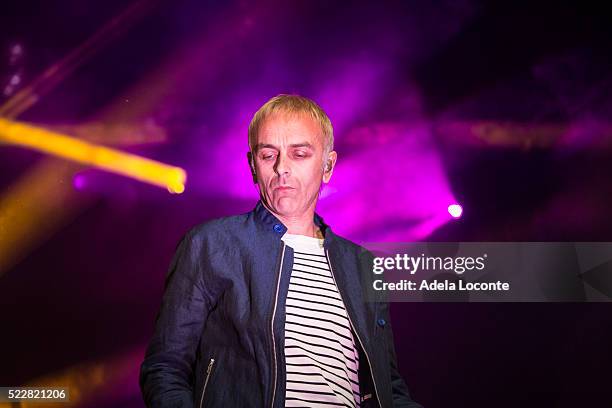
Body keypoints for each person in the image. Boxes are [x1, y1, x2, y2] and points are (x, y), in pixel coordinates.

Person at [139, 94, 422, 408]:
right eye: (268, 154)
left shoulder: (362, 266)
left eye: (299, 153)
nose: (282, 168)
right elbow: (165, 368)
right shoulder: (212, 244)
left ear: (327, 166)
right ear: (253, 166)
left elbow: (389, 389)